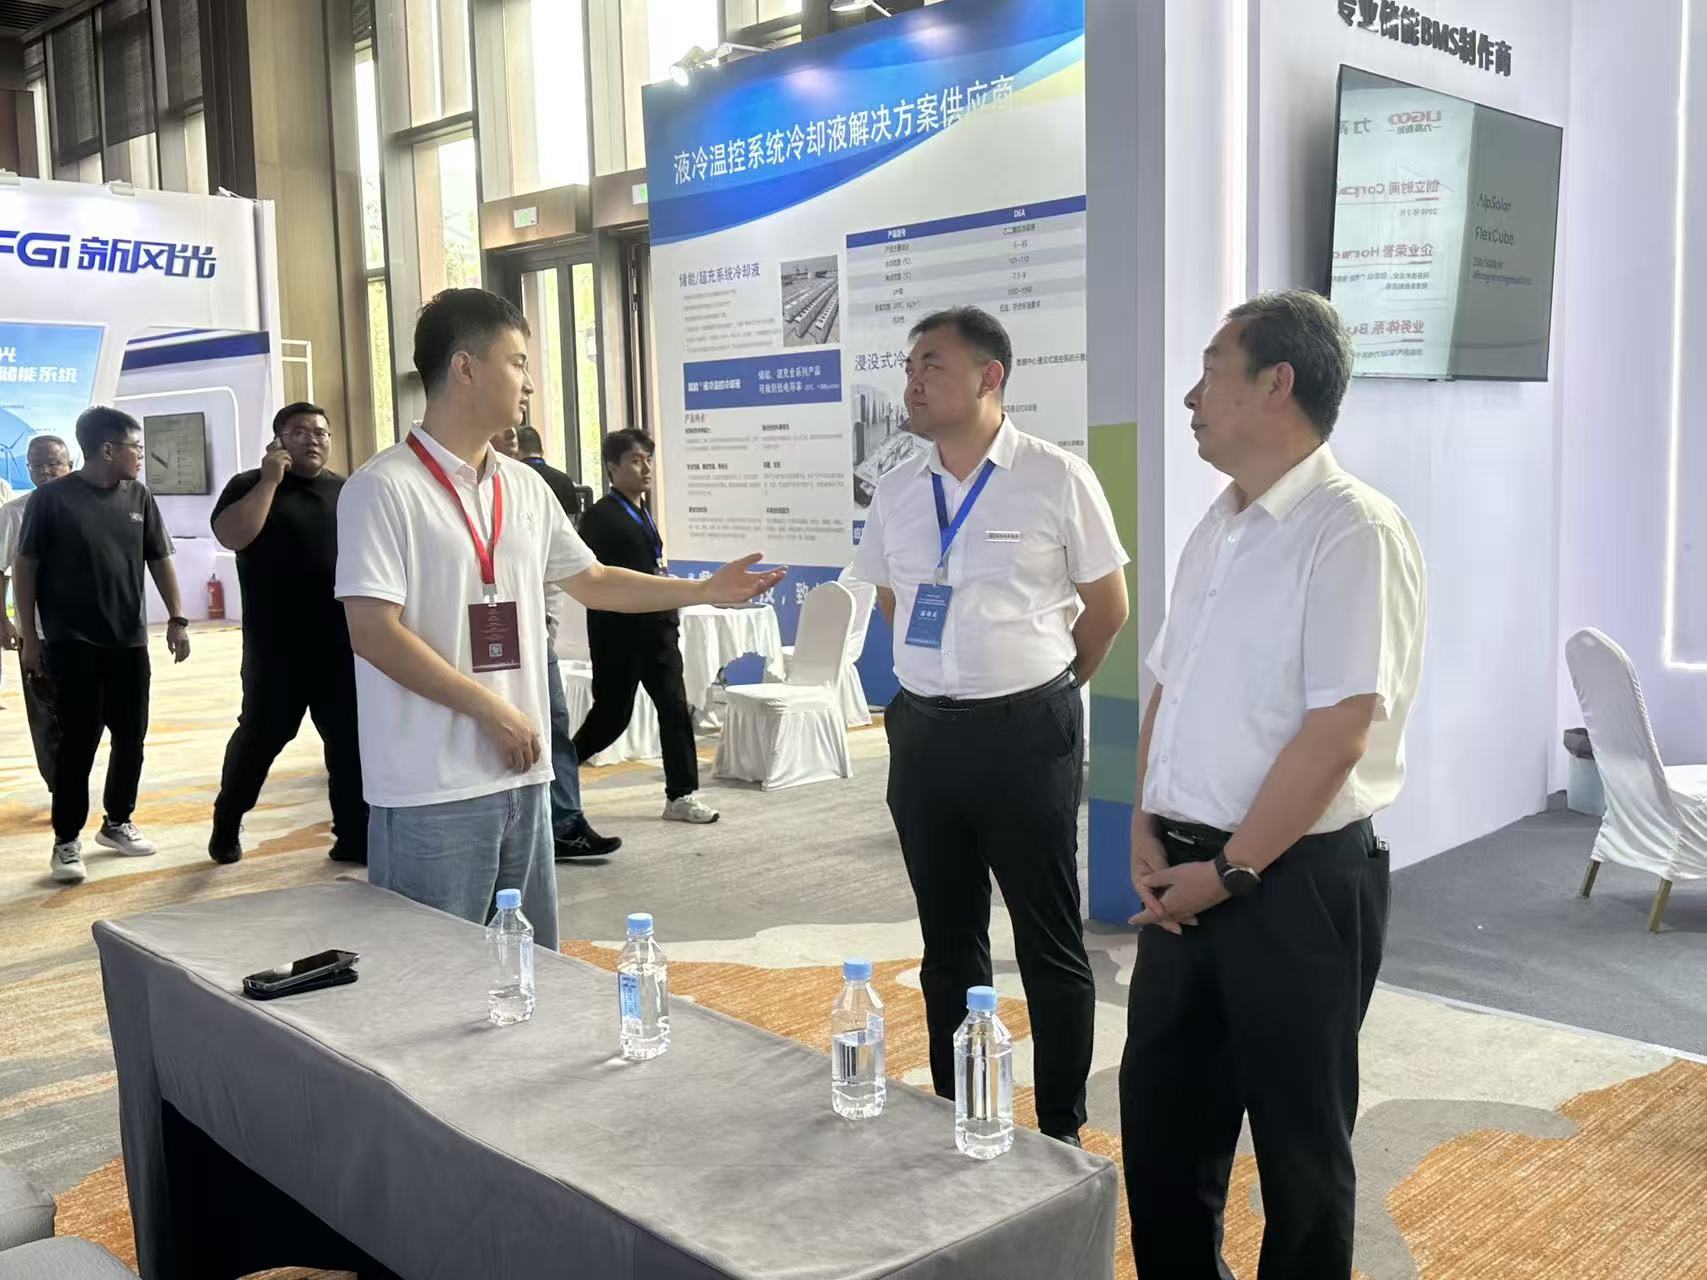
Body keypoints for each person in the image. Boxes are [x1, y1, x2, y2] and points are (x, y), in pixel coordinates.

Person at [1120, 290, 1426, 1280]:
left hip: (1293, 882)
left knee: (1300, 1157)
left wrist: (1232, 873)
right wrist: (1143, 822)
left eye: (1211, 371)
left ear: (1276, 383)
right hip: (1183, 873)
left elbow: (1338, 731)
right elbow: (1167, 685)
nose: (1190, 397)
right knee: (1163, 1134)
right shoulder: (1217, 525)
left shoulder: (1351, 529)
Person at [336, 288, 783, 949]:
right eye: (517, 361)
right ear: (465, 367)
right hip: (432, 784)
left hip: (522, 773)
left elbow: (593, 582)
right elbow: (373, 632)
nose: (529, 383)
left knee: (529, 965)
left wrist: (701, 590)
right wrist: (490, 709)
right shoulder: (383, 488)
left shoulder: (522, 486)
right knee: (432, 973)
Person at [850, 306, 1130, 1147]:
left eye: (931, 365)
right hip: (924, 736)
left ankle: (1060, 1127)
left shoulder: (1055, 477)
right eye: (909, 368)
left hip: (1025, 734)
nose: (912, 383)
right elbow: (895, 601)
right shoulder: (898, 488)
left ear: (990, 376)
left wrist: (1044, 690)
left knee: (1047, 939)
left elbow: (1107, 609)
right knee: (947, 941)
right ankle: (961, 1107)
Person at [13, 407, 193, 886]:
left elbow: (160, 558)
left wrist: (177, 619)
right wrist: (30, 636)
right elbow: (25, 567)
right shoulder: (51, 500)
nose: (142, 456)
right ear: (108, 449)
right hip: (71, 643)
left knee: (131, 736)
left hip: (129, 641)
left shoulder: (139, 495)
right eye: (136, 447)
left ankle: (117, 822)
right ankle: (66, 839)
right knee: (79, 742)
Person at [207, 403, 366, 865]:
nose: (313, 439)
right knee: (261, 738)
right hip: (276, 647)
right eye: (299, 432)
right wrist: (270, 481)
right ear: (278, 440)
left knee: (350, 743)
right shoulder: (249, 485)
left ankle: (353, 836)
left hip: (340, 644)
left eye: (321, 432)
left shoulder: (346, 490)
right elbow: (233, 536)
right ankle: (228, 819)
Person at [573, 430, 718, 826]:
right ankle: (557, 775)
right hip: (619, 636)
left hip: (657, 631)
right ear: (612, 467)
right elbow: (599, 580)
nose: (646, 468)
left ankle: (681, 794)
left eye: (648, 459)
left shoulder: (642, 511)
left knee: (675, 710)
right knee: (610, 717)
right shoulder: (601, 517)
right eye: (636, 460)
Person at [494, 427, 621, 860]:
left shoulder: (531, 485)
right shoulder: (400, 482)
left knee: (554, 724)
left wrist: (702, 590)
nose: (511, 435)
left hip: (529, 633)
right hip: (475, 646)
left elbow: (584, 576)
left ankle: (565, 822)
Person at [0, 435, 74, 790]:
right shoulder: (13, 513)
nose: (45, 472)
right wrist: (4, 620)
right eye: (37, 465)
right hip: (38, 633)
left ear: (70, 465)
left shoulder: (89, 507)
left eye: (53, 464)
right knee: (45, 715)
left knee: (85, 713)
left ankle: (73, 781)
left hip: (88, 632)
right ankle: (59, 787)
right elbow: (1, 571)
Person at [515, 425, 583, 522]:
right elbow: (571, 521)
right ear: (541, 452)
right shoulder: (564, 480)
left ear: (516, 452)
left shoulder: (513, 480)